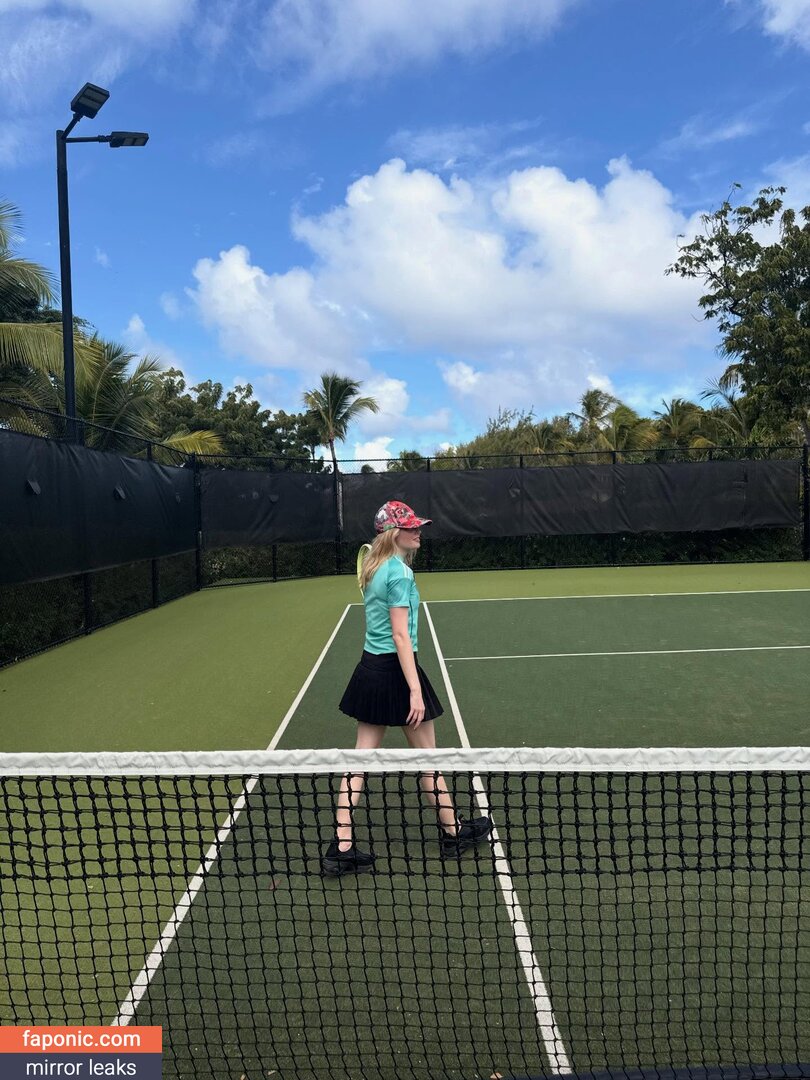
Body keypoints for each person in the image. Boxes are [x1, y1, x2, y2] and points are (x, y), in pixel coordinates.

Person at [321, 500, 491, 876]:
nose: (419, 532)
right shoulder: (399, 573)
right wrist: (414, 689)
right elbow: (400, 634)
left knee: (360, 760)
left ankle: (342, 845)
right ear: (393, 533)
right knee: (428, 758)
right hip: (397, 672)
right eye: (412, 527)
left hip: (371, 668)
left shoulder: (374, 566)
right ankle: (453, 833)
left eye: (419, 526)